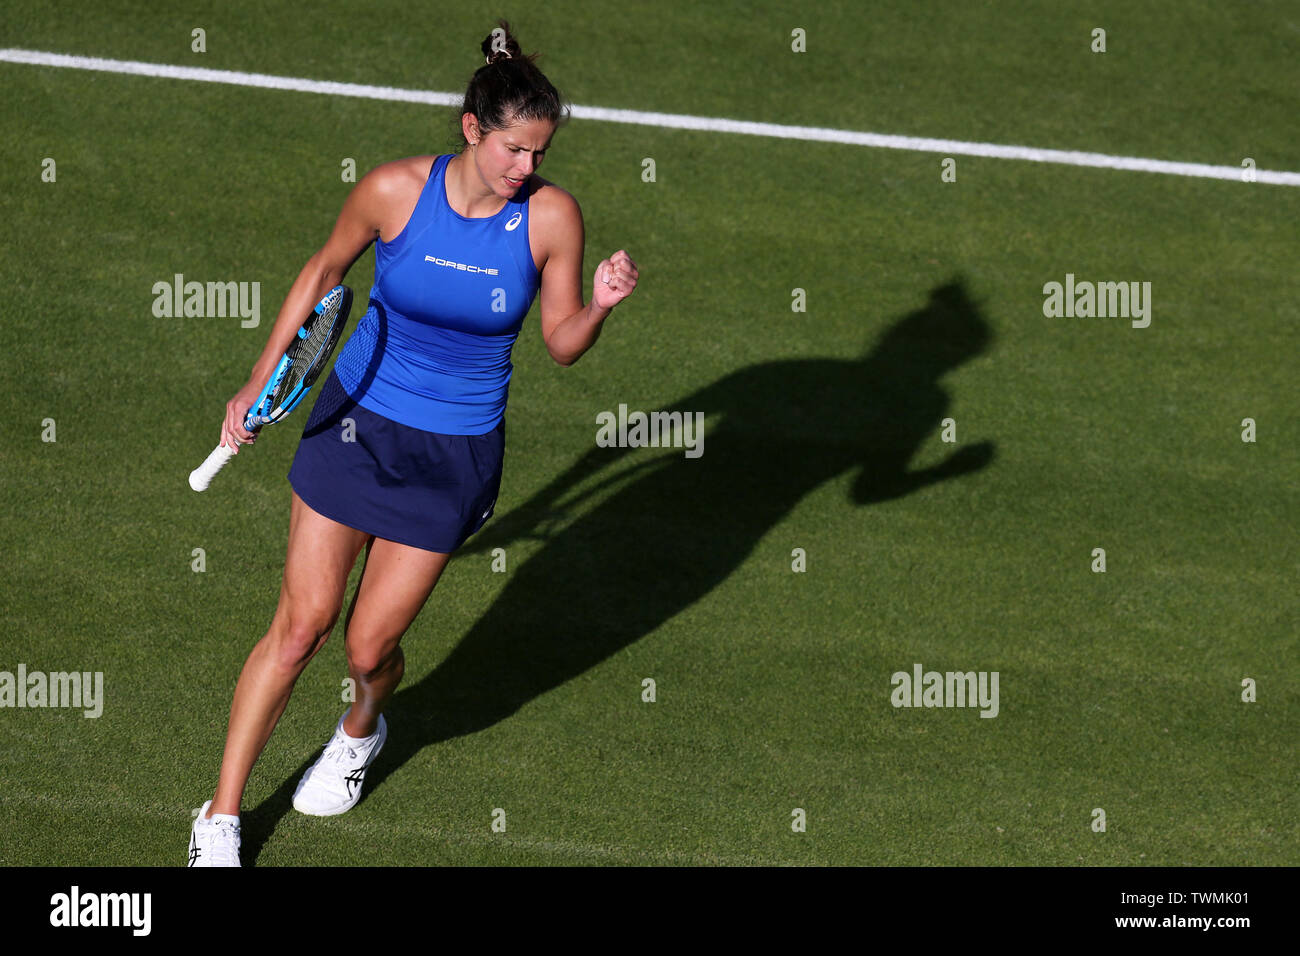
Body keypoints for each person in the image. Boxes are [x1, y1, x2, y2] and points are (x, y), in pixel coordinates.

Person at [187, 20, 639, 866]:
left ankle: (362, 726)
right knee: (300, 628)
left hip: (454, 454)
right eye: (514, 150)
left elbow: (562, 343)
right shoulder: (394, 190)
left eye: (539, 156)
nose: (527, 170)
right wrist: (258, 379)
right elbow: (323, 273)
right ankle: (219, 815)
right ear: (473, 130)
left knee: (369, 649)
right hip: (352, 424)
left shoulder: (551, 219)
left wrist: (603, 303)